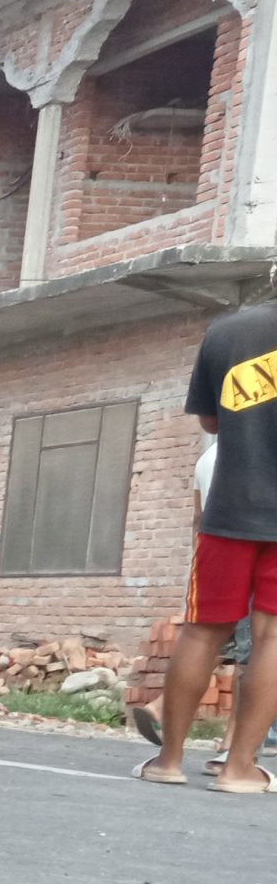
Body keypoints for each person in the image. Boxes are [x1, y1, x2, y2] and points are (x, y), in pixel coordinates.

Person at [140, 308, 277, 789]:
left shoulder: (229, 331)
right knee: (273, 639)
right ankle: (239, 769)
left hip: (231, 510)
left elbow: (211, 422)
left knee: (201, 633)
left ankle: (169, 762)